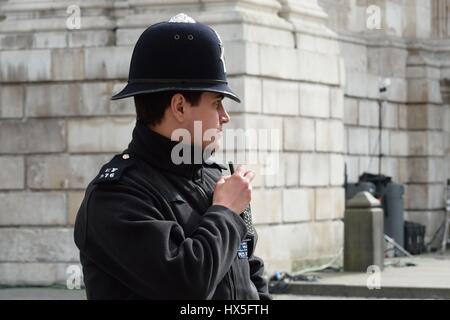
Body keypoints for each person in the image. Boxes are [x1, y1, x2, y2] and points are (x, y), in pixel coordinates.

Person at [73, 13, 271, 300]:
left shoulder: (216, 177)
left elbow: (250, 273)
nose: (225, 117)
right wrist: (226, 211)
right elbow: (187, 285)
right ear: (179, 106)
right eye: (216, 103)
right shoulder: (115, 197)